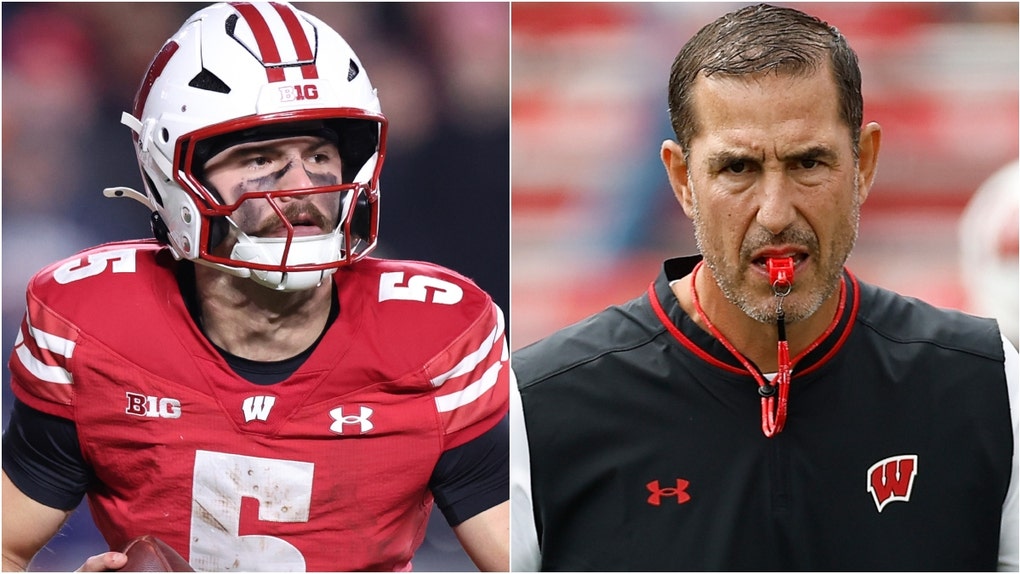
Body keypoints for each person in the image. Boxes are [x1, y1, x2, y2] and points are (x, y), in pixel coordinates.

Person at [2, 2, 509, 572]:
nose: (302, 186)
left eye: (319, 154)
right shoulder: (92, 323)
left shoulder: (437, 337)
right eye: (260, 157)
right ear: (173, 174)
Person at [510, 4, 1018, 571]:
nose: (775, 213)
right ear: (682, 179)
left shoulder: (987, 383)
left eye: (808, 163)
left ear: (864, 163)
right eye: (738, 169)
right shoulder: (539, 406)